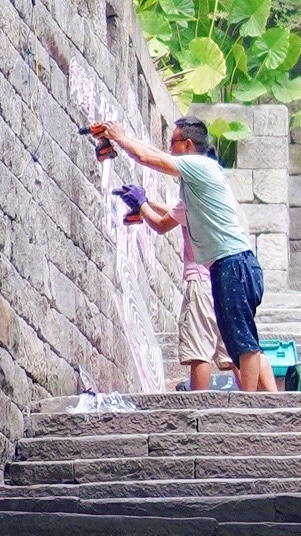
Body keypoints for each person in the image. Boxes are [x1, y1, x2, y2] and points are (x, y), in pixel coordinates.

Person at [91, 115, 271, 392]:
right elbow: (163, 218)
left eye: (173, 142)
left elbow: (147, 158)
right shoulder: (195, 186)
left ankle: (251, 404)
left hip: (234, 264)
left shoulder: (200, 166)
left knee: (242, 341)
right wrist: (142, 203)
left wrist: (120, 137)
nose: (169, 148)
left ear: (188, 145)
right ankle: (263, 401)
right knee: (236, 341)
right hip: (225, 266)